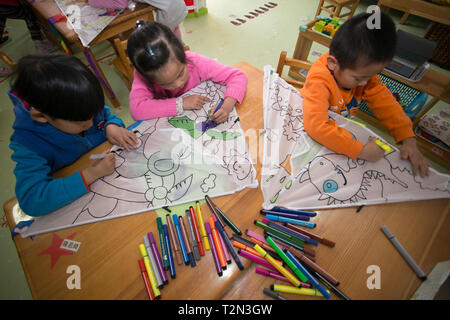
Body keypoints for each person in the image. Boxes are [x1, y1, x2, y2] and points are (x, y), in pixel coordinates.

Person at [301, 12, 431, 177]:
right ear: (333, 63)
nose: (365, 83)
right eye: (359, 78)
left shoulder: (363, 75)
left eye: (371, 76)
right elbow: (316, 127)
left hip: (336, 127)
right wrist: (360, 151)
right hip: (311, 129)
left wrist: (408, 138)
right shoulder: (320, 80)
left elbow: (386, 104)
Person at [9, 53, 138, 216]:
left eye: (92, 116)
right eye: (82, 123)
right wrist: (91, 174)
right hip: (81, 199)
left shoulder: (80, 108)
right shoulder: (29, 143)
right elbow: (31, 200)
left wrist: (110, 126)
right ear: (41, 116)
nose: (90, 124)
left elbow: (105, 116)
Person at [127, 21, 247, 124]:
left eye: (180, 74)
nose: (177, 84)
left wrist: (227, 106)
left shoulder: (195, 61)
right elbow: (137, 110)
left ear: (183, 54)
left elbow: (237, 76)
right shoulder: (143, 77)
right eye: (166, 83)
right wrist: (180, 103)